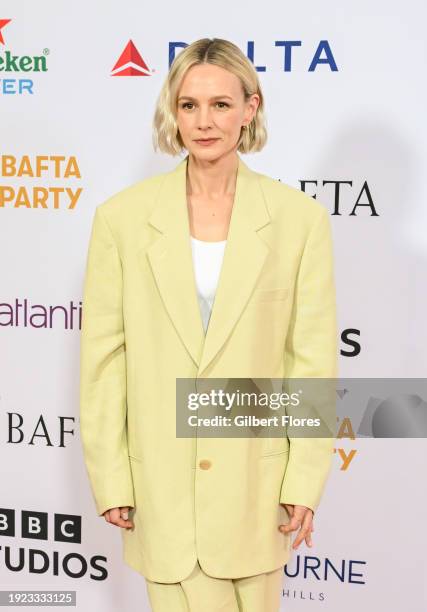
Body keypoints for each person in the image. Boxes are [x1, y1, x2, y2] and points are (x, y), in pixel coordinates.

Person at [79, 37, 338, 612]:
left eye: (221, 104)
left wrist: (302, 481)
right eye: (189, 104)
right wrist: (112, 478)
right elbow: (103, 362)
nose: (204, 121)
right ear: (173, 111)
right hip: (160, 493)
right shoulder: (121, 220)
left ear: (250, 108)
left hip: (255, 492)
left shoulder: (299, 221)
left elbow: (311, 362)